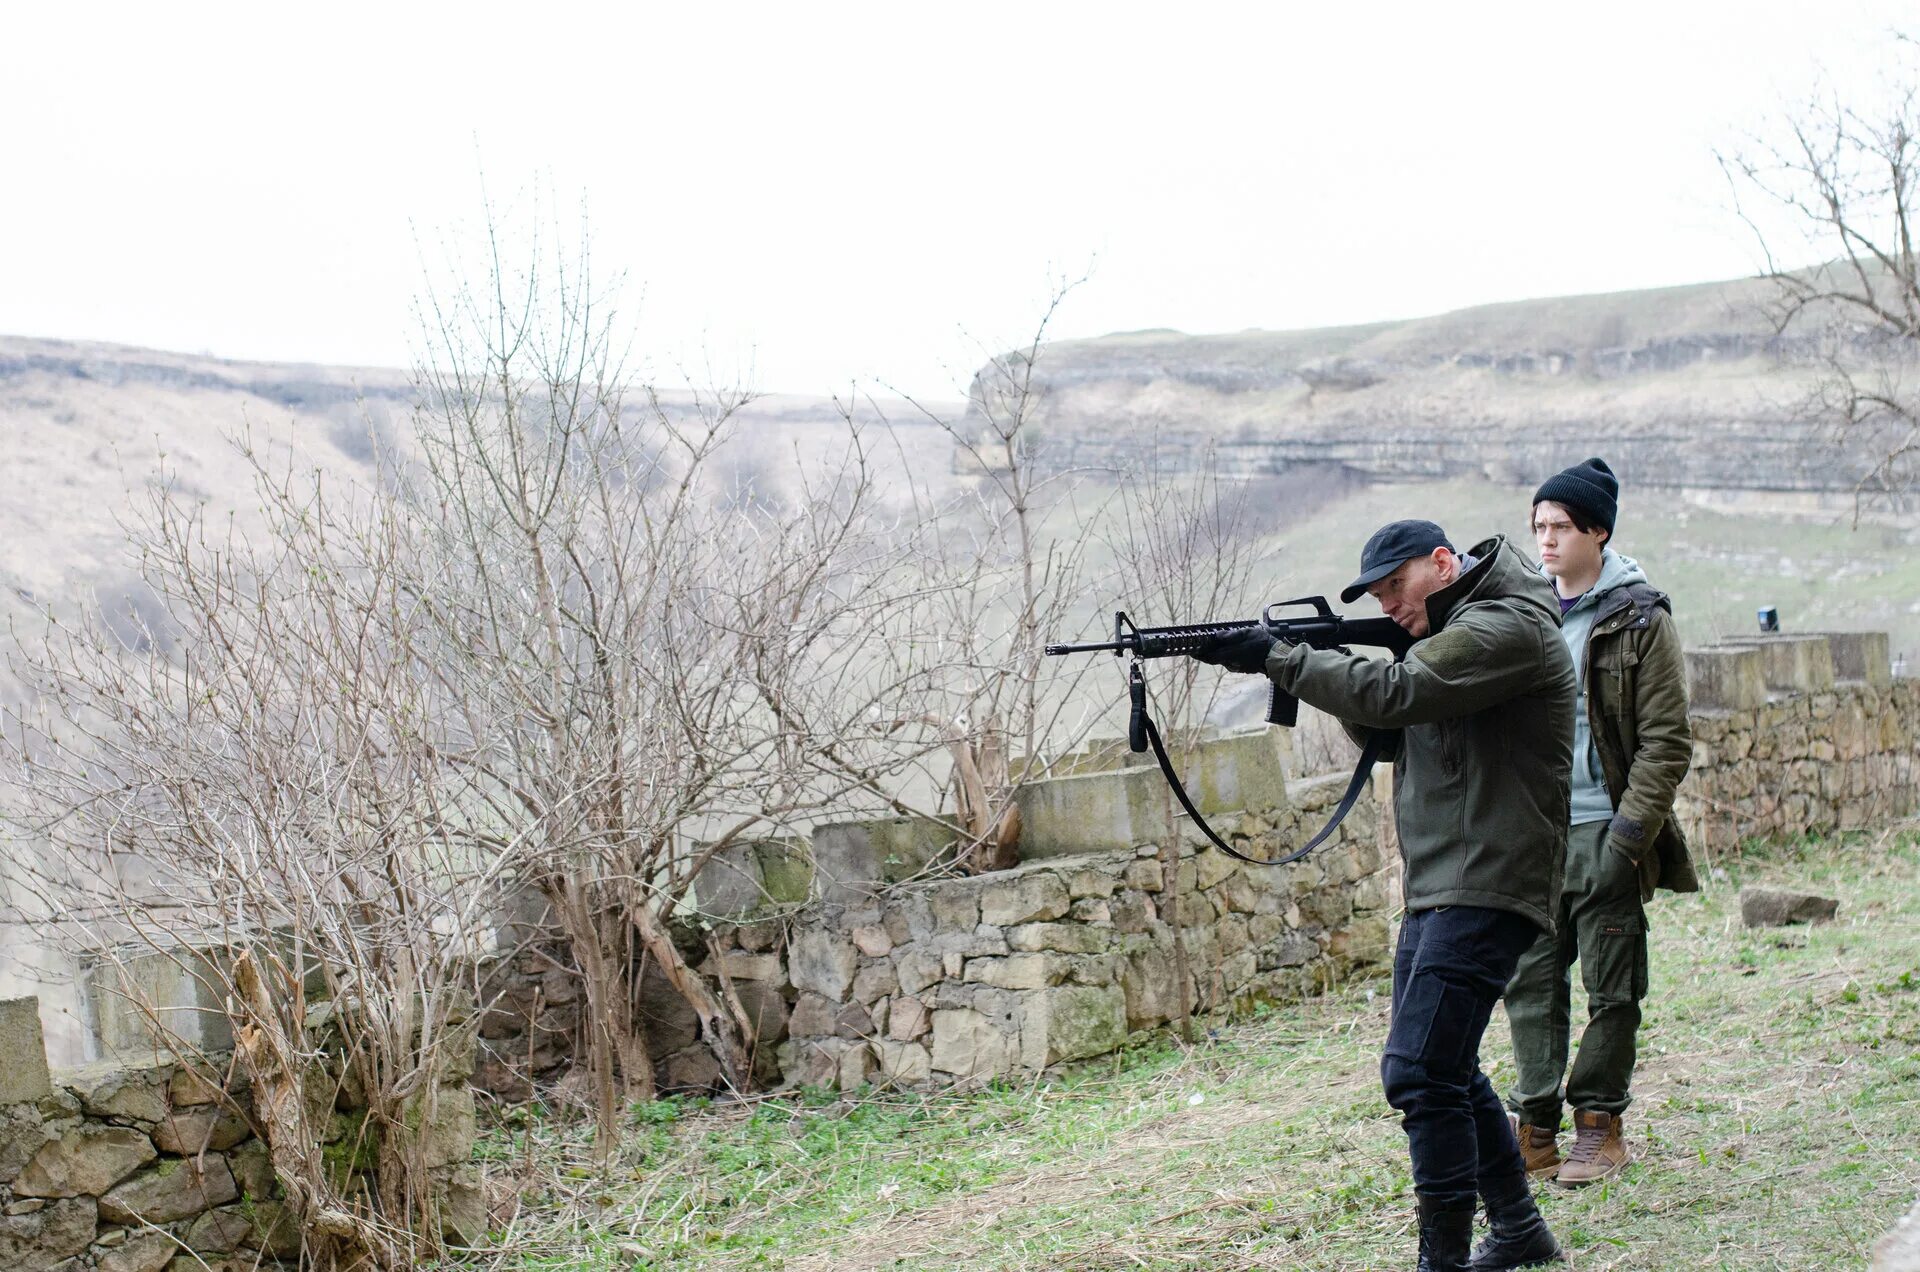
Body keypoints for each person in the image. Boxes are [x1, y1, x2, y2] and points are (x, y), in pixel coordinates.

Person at [1193, 519, 1575, 1272]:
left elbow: (1403, 689)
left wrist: (1283, 658)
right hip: (1446, 881)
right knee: (1448, 1067)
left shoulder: (1503, 625)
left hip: (1489, 878)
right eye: (1378, 596)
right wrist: (1314, 664)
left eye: (1396, 588)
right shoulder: (1453, 632)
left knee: (1419, 1071)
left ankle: (1445, 1262)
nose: (1391, 606)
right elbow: (1394, 727)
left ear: (1442, 563)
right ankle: (1520, 1232)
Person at [1503, 458, 1695, 1193]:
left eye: (1559, 526)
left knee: (1613, 989)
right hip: (1532, 839)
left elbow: (1666, 741)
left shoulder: (1641, 617)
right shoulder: (1523, 612)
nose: (1545, 540)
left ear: (1598, 531)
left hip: (1607, 832)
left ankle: (1598, 1126)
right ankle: (1536, 1131)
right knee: (1530, 986)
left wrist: (1628, 835)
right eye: (1538, 526)